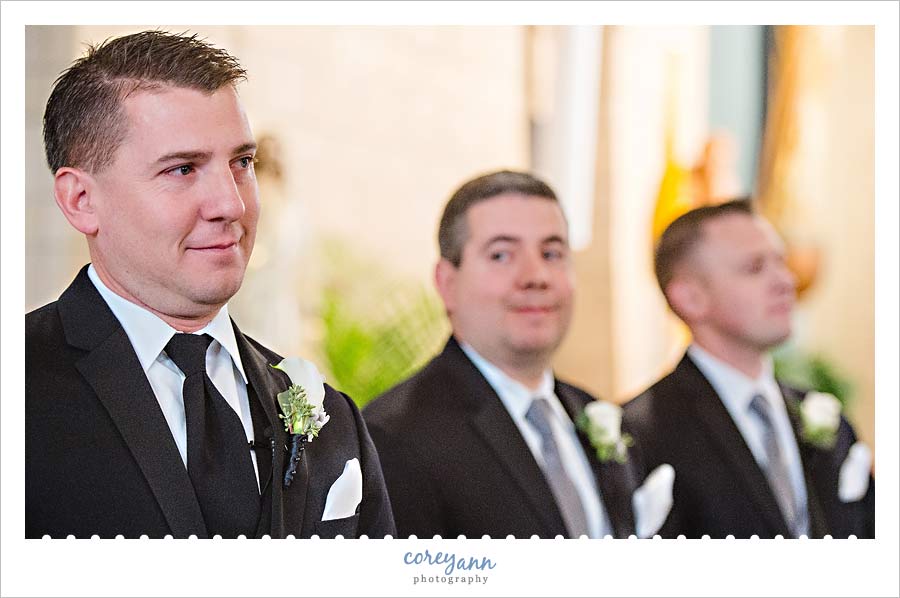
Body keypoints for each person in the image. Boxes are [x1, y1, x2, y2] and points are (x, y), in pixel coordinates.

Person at [26, 30, 394, 539]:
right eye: (182, 169)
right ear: (82, 200)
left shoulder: (332, 417)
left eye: (242, 163)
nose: (232, 205)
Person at [363, 170, 643, 539]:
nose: (536, 275)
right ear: (447, 283)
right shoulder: (395, 437)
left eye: (551, 253)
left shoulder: (593, 413)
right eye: (501, 255)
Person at [623, 200, 875, 538]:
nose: (786, 281)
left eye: (781, 263)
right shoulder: (640, 433)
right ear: (691, 297)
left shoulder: (823, 416)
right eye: (755, 267)